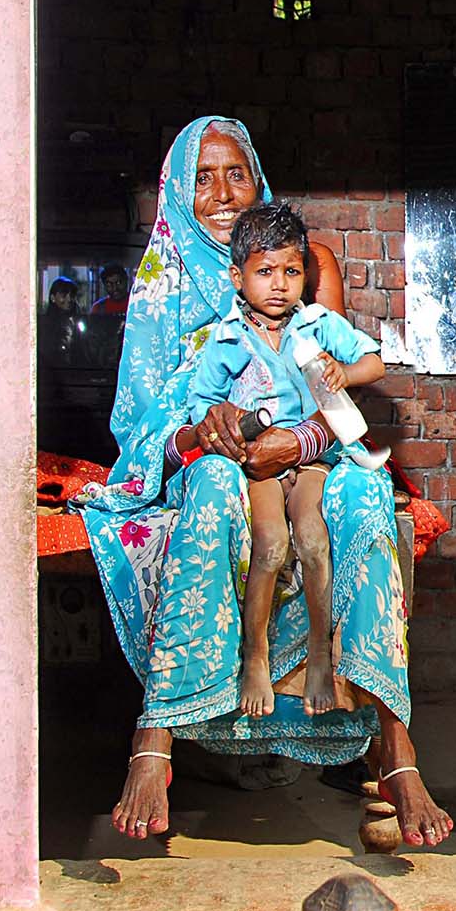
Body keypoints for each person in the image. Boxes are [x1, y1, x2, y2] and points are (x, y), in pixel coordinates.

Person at [80, 115, 452, 848]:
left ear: (259, 183)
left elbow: (333, 388)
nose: (222, 193)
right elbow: (144, 425)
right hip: (210, 464)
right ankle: (155, 736)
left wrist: (298, 441)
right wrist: (202, 433)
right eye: (202, 178)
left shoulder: (306, 265)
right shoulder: (163, 286)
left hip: (309, 454)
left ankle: (395, 747)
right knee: (215, 485)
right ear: (176, 192)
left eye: (236, 174)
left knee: (367, 497)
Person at [184, 201, 388, 719]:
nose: (279, 285)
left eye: (291, 272)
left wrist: (345, 373)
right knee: (272, 544)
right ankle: (255, 656)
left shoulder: (318, 325)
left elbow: (374, 362)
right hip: (261, 464)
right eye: (265, 272)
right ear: (238, 277)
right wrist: (226, 420)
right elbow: (201, 404)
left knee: (314, 540)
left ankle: (320, 655)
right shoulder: (227, 339)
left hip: (312, 457)